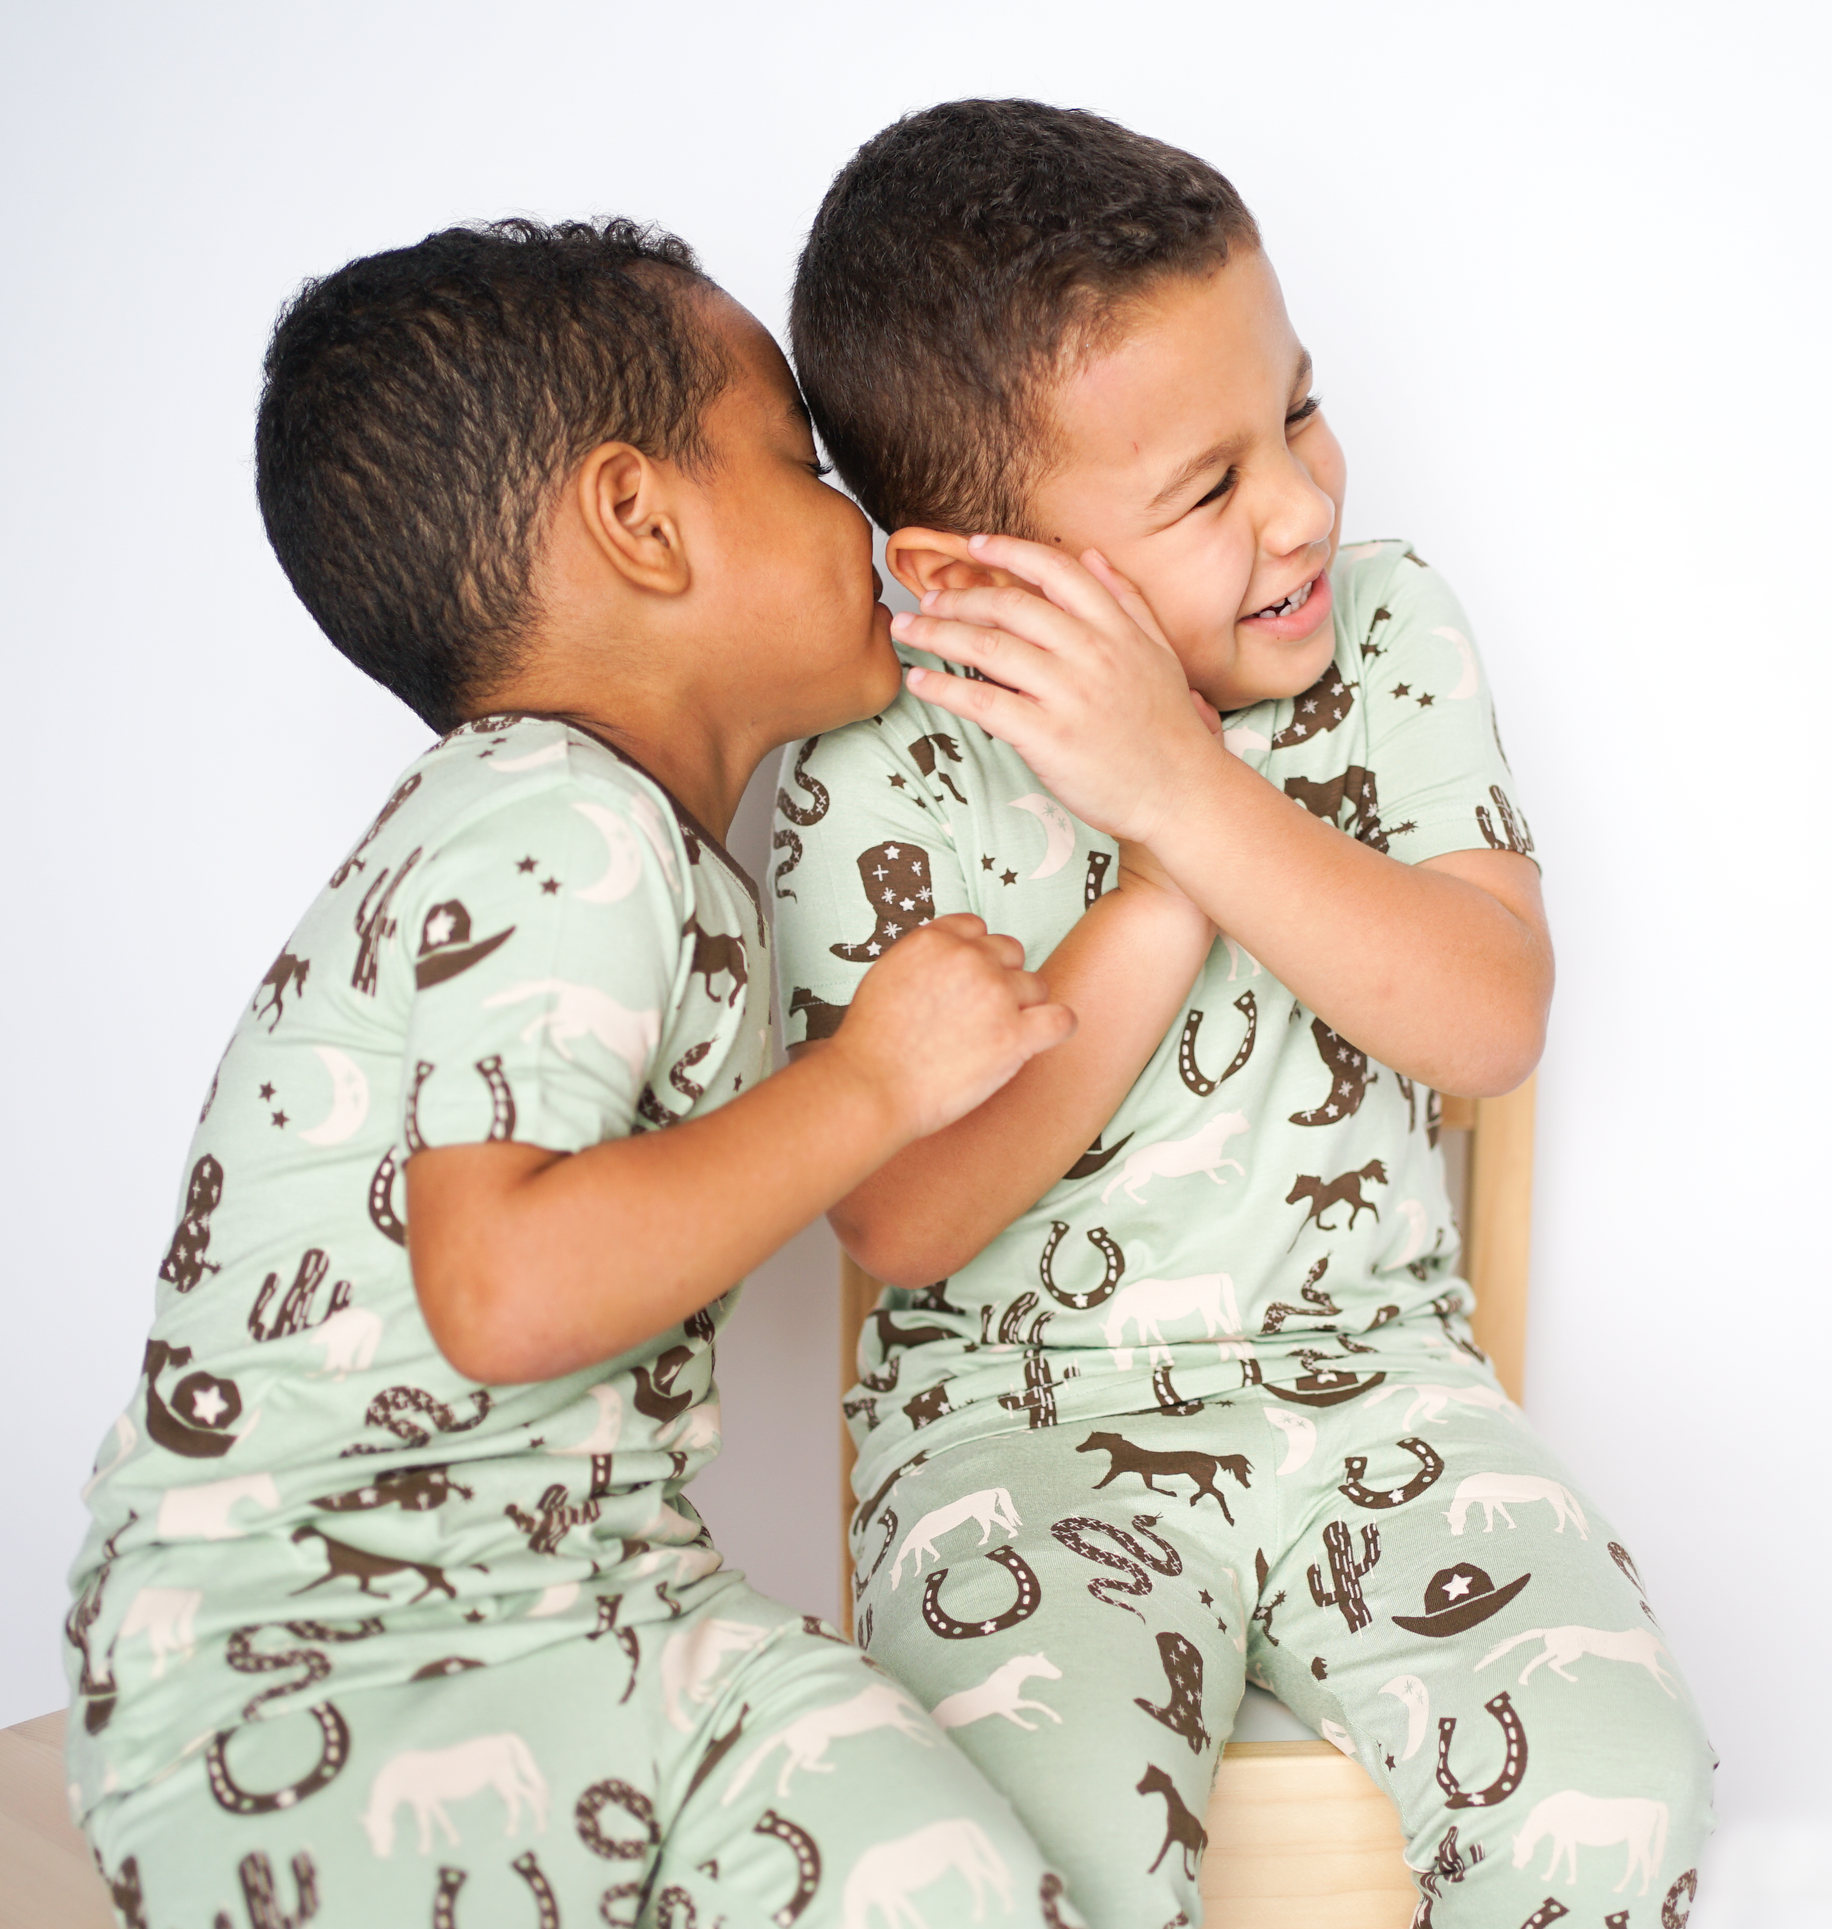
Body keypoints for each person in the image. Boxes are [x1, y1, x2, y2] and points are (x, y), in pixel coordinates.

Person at [64, 217, 1087, 1929]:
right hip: (332, 1653)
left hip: (575, 1594)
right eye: (806, 463)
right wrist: (875, 1086)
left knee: (940, 1857)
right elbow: (504, 1288)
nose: (864, 523)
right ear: (639, 518)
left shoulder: (583, 831)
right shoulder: (568, 822)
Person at [774, 101, 1714, 1928]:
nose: (1297, 501)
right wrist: (1159, 874)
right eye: (1206, 490)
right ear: (971, 572)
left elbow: (1487, 1020)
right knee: (1018, 1839)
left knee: (1621, 1787)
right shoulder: (871, 758)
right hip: (1009, 1427)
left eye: (1292, 408)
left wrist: (1195, 790)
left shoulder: (1389, 638)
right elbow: (904, 1217)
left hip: (1384, 1392)